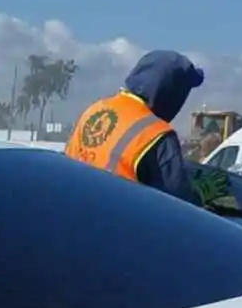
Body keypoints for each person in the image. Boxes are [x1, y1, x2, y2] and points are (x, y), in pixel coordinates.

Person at [65, 51, 209, 204]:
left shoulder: (95, 110)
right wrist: (201, 194)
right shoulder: (157, 134)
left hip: (74, 211)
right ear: (173, 94)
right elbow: (180, 208)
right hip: (122, 222)